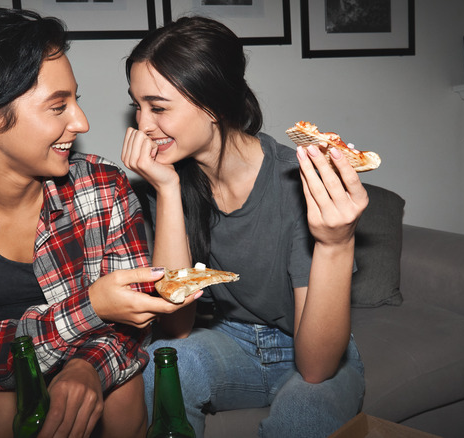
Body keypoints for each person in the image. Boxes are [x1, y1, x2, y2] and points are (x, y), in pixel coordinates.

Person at [0, 8, 196, 438]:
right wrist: (90, 308)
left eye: (76, 99)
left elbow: (134, 324)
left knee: (122, 392)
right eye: (57, 106)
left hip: (91, 360)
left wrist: (88, 367)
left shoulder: (102, 184)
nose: (81, 122)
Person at [121, 16, 368, 438]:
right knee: (160, 366)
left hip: (309, 347)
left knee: (302, 418)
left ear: (213, 104)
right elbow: (177, 328)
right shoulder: (175, 181)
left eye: (158, 107)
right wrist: (166, 190)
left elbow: (316, 368)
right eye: (138, 105)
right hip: (229, 342)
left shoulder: (297, 180)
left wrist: (337, 243)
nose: (142, 125)